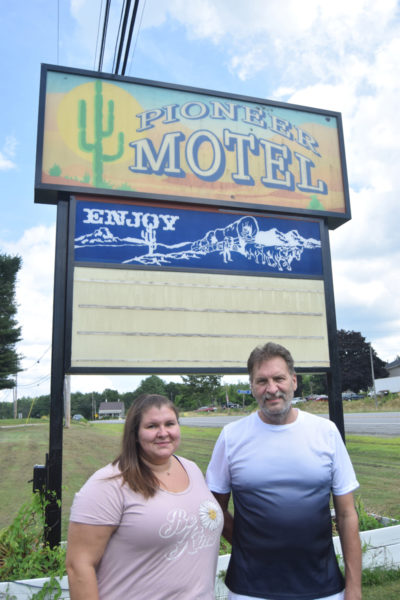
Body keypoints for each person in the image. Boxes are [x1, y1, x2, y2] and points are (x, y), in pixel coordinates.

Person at [206, 342, 362, 600]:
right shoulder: (231, 437)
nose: (271, 389)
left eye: (279, 378)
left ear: (294, 381)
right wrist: (246, 544)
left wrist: (354, 589)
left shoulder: (326, 432)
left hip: (323, 587)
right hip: (250, 589)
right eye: (261, 381)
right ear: (252, 386)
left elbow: (347, 515)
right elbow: (213, 510)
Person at [66, 393, 223, 600]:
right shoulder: (109, 484)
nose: (163, 433)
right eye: (151, 426)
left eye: (170, 424)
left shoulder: (191, 469)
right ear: (135, 433)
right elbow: (79, 566)